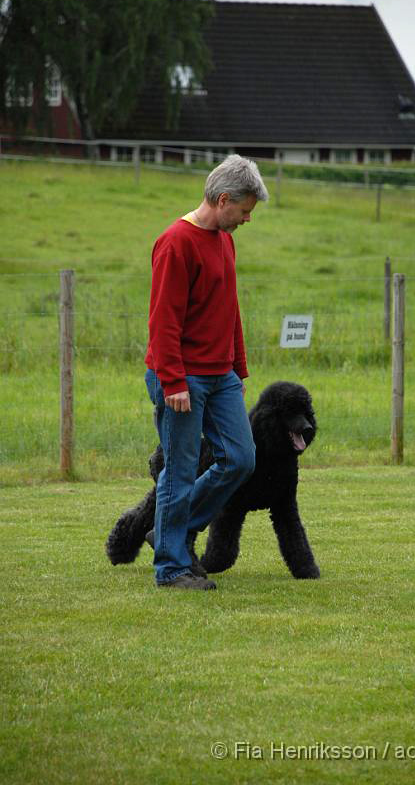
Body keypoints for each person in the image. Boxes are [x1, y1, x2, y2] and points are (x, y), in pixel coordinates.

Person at [144, 154, 269, 590]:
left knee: (240, 459)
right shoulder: (175, 243)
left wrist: (238, 363)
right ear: (222, 199)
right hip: (182, 379)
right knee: (178, 471)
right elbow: (163, 321)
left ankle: (170, 533)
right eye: (245, 211)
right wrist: (173, 381)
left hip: (221, 376)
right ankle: (172, 567)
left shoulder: (225, 240)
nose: (247, 220)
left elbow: (228, 307)